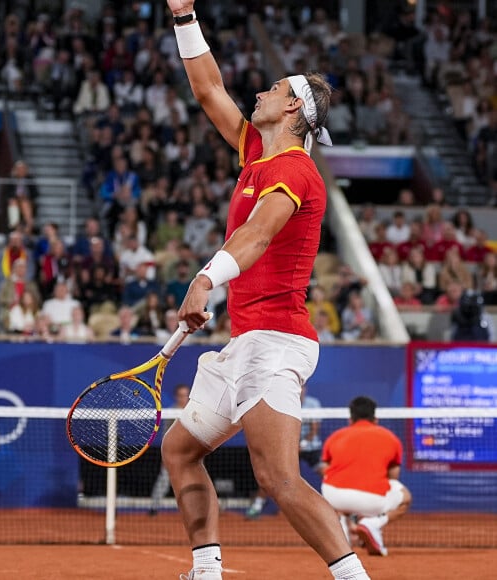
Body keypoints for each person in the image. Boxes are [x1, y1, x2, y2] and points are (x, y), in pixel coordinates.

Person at [160, 3, 370, 579]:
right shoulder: (256, 152)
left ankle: (353, 576)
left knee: (277, 477)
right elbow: (208, 89)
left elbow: (255, 236)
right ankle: (206, 571)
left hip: (278, 342)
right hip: (245, 342)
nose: (261, 91)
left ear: (294, 107)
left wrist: (205, 277)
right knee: (179, 452)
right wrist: (185, 16)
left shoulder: (298, 172)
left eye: (274, 87)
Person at [321, 397, 412, 557]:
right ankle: (373, 523)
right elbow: (393, 477)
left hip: (333, 496)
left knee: (332, 485)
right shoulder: (391, 438)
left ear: (350, 419)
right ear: (375, 418)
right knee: (404, 496)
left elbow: (325, 469)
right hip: (371, 501)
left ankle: (341, 526)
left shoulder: (335, 437)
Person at [245, 385, 324, 519]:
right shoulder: (284, 403)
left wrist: (302, 444)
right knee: (270, 476)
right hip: (288, 447)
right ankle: (256, 507)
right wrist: (290, 446)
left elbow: (314, 430)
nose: (301, 390)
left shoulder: (313, 404)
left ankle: (343, 506)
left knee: (327, 474)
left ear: (305, 389)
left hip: (310, 447)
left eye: (303, 387)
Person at [148, 384, 191, 516]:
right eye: (181, 395)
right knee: (164, 480)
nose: (184, 398)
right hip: (173, 453)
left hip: (190, 454)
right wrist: (165, 456)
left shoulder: (193, 410)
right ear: (176, 396)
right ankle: (153, 508)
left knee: (192, 481)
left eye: (186, 395)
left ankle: (193, 509)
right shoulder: (171, 412)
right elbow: (166, 436)